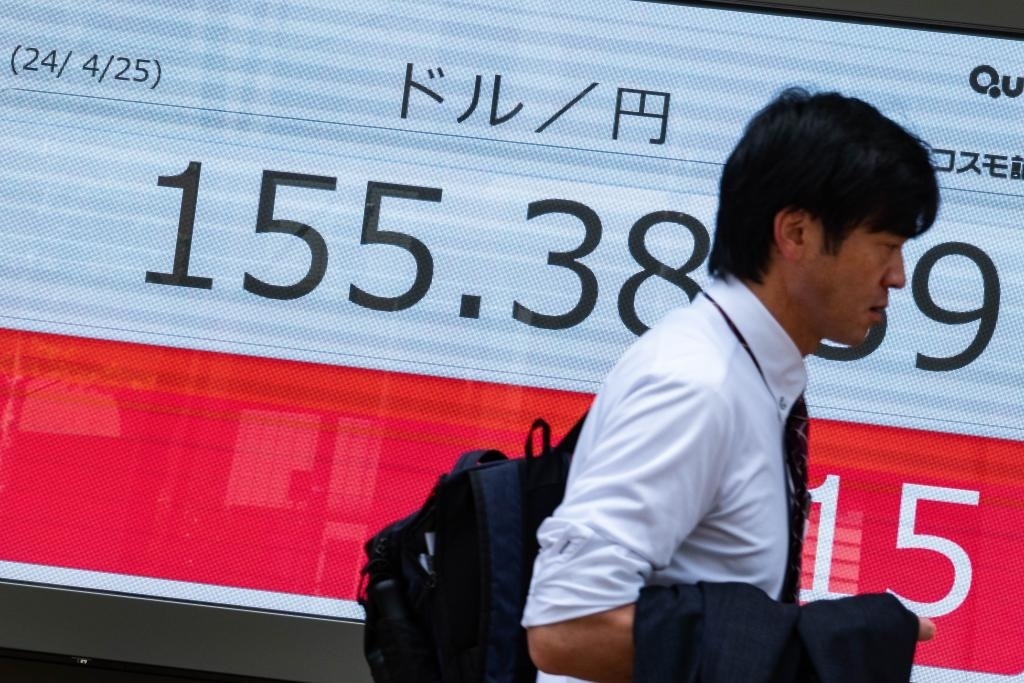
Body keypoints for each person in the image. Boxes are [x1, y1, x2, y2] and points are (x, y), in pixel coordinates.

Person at [520, 87, 941, 682]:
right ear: (796, 234)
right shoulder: (698, 385)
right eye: (886, 246)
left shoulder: (748, 374)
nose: (897, 277)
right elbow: (565, 630)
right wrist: (810, 648)